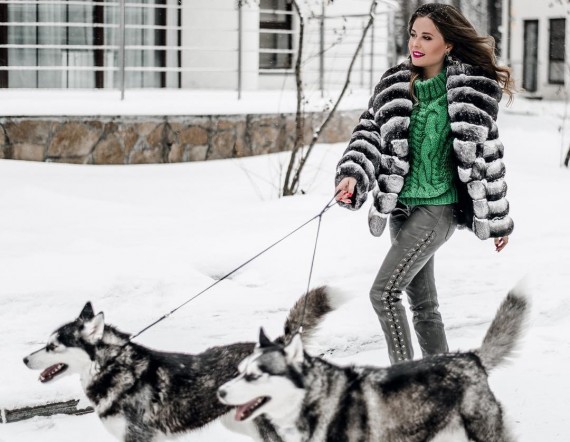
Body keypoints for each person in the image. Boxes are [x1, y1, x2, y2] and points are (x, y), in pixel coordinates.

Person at [334, 3, 515, 365]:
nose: (416, 43)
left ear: (448, 45)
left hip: (439, 208)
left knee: (383, 294)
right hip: (401, 208)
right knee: (424, 306)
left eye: (427, 36)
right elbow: (369, 134)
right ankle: (446, 384)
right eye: (413, 34)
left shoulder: (471, 92)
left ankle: (406, 386)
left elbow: (489, 155)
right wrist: (353, 173)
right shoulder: (393, 85)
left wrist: (496, 216)